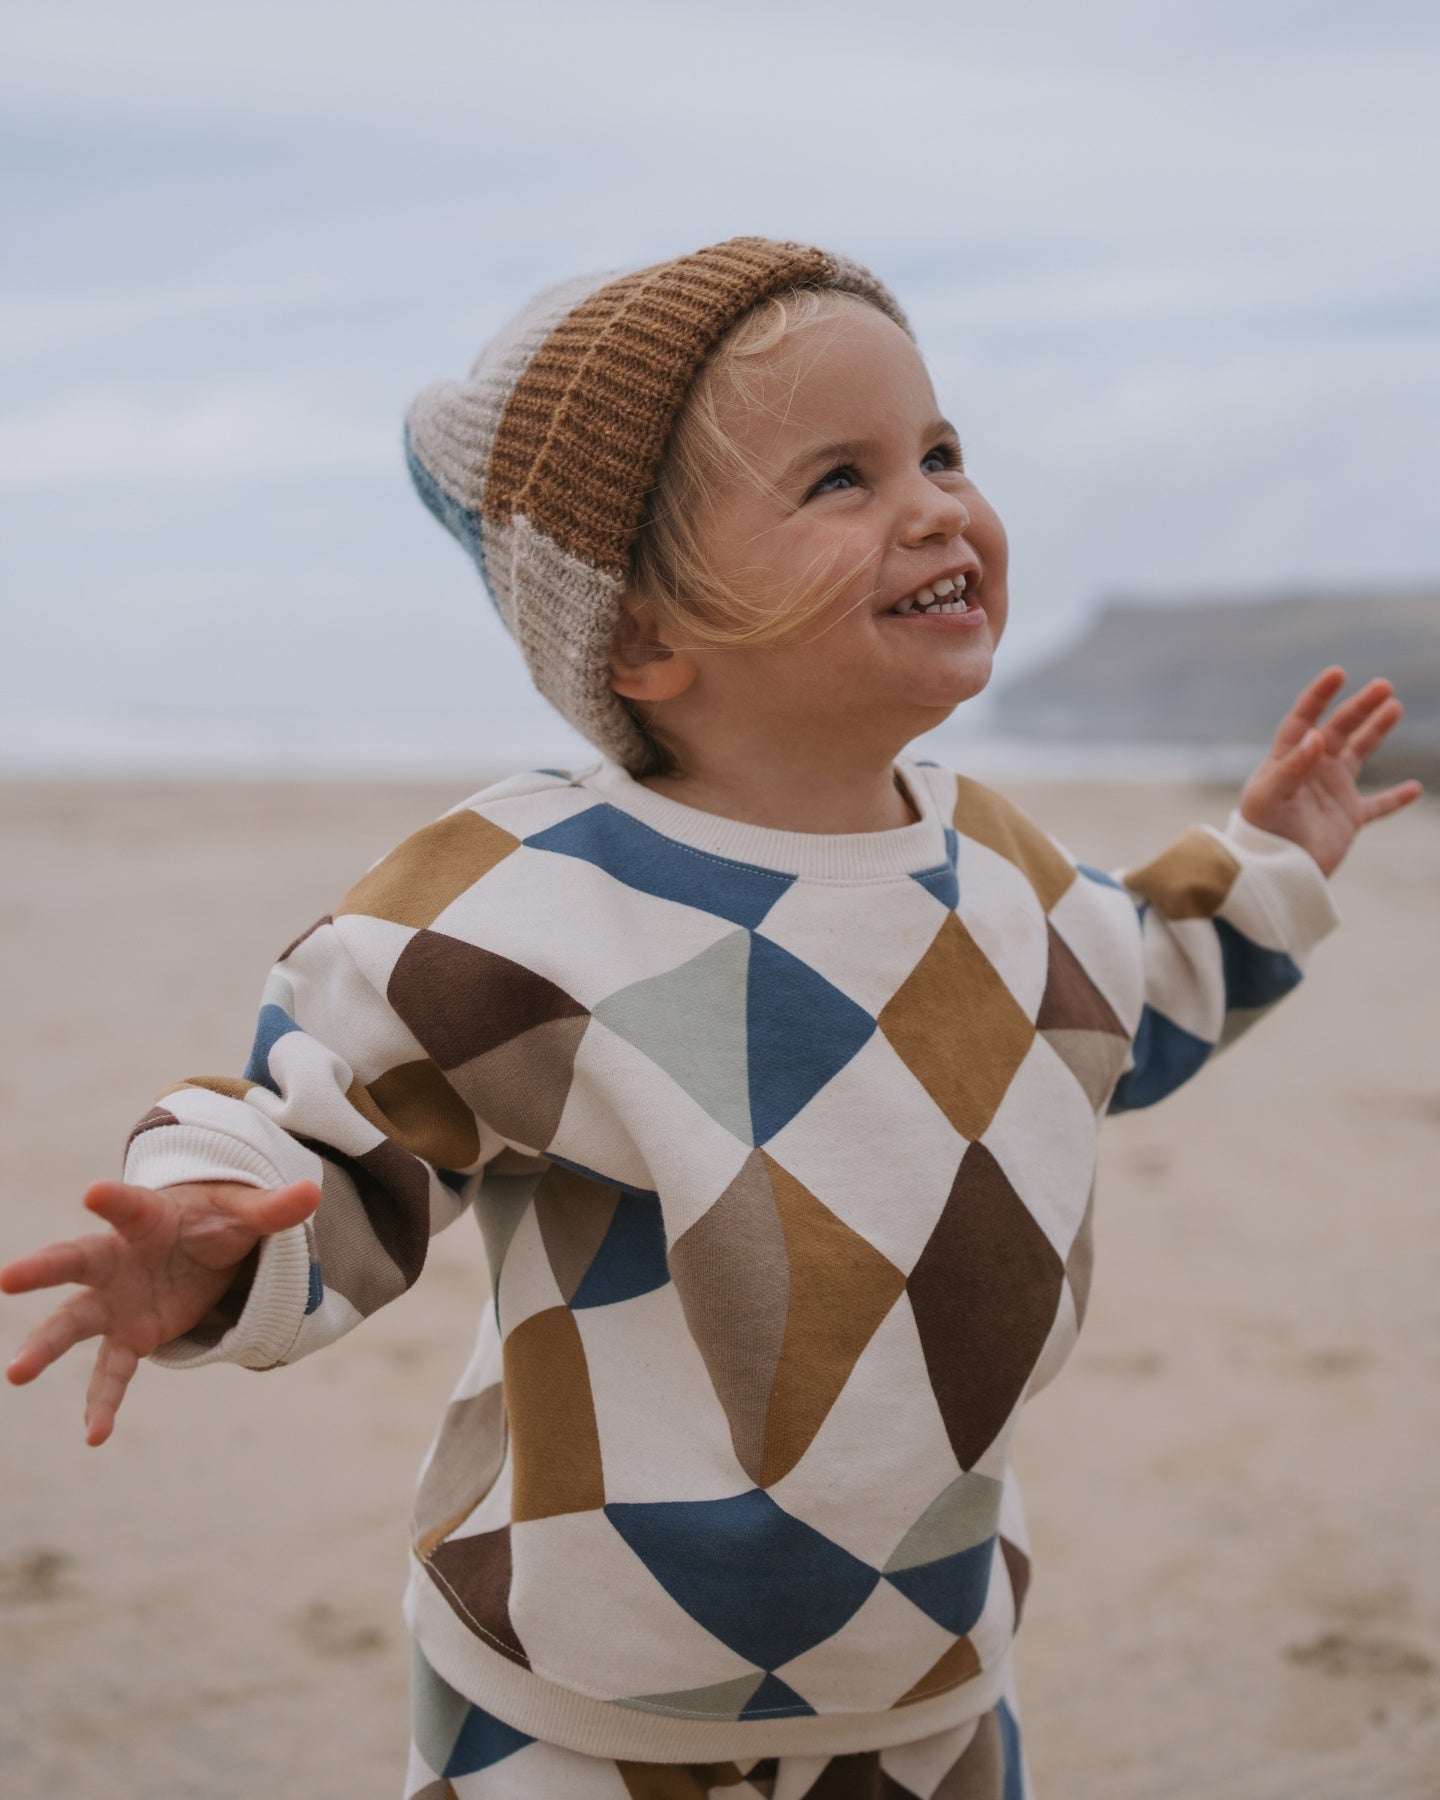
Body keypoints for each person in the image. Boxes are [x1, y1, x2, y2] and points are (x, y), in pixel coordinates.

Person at [1, 237, 1422, 1800]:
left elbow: (1148, 987)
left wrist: (1274, 861)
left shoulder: (1000, 874)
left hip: (927, 1678)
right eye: (842, 480)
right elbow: (331, 1119)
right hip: (575, 1700)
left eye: (941, 451)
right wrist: (213, 1224)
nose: (937, 504)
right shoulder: (530, 897)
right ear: (639, 638)